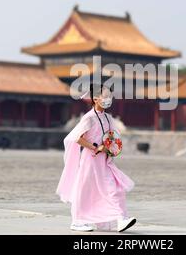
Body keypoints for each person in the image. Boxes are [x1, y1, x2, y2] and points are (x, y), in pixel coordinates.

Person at [56, 83, 136, 232]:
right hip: (90, 159)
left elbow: (113, 136)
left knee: (114, 188)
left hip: (105, 160)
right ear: (95, 98)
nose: (108, 99)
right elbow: (77, 138)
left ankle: (120, 219)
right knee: (86, 189)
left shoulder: (107, 117)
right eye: (105, 96)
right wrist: (95, 147)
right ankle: (77, 221)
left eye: (109, 96)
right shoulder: (89, 118)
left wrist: (113, 148)